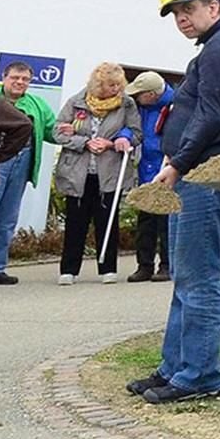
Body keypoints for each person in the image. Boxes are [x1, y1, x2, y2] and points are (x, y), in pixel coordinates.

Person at [127, 0, 220, 404]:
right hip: (195, 171)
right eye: (175, 13)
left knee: (198, 278)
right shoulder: (216, 45)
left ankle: (199, 375)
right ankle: (175, 367)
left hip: (204, 173)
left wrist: (177, 163)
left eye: (188, 9)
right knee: (186, 275)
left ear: (213, 6)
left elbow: (213, 114)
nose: (182, 19)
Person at [51, 63, 141, 285]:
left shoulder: (126, 104)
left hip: (109, 171)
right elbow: (57, 131)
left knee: (107, 221)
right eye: (111, 84)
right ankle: (69, 270)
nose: (116, 89)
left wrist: (114, 142)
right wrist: (84, 142)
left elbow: (136, 133)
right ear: (98, 84)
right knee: (75, 222)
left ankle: (108, 268)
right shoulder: (76, 102)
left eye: (119, 84)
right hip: (78, 172)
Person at [0, 60, 53, 286]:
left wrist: (70, 131)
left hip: (22, 161)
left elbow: (50, 130)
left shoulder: (37, 104)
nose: (20, 82)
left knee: (7, 218)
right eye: (15, 77)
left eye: (25, 79)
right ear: (3, 78)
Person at [127, 71, 175, 282]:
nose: (136, 97)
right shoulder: (140, 107)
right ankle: (144, 265)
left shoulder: (176, 105)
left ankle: (166, 265)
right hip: (145, 170)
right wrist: (124, 137)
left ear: (152, 94)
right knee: (145, 221)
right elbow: (131, 128)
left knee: (165, 221)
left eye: (140, 94)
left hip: (165, 168)